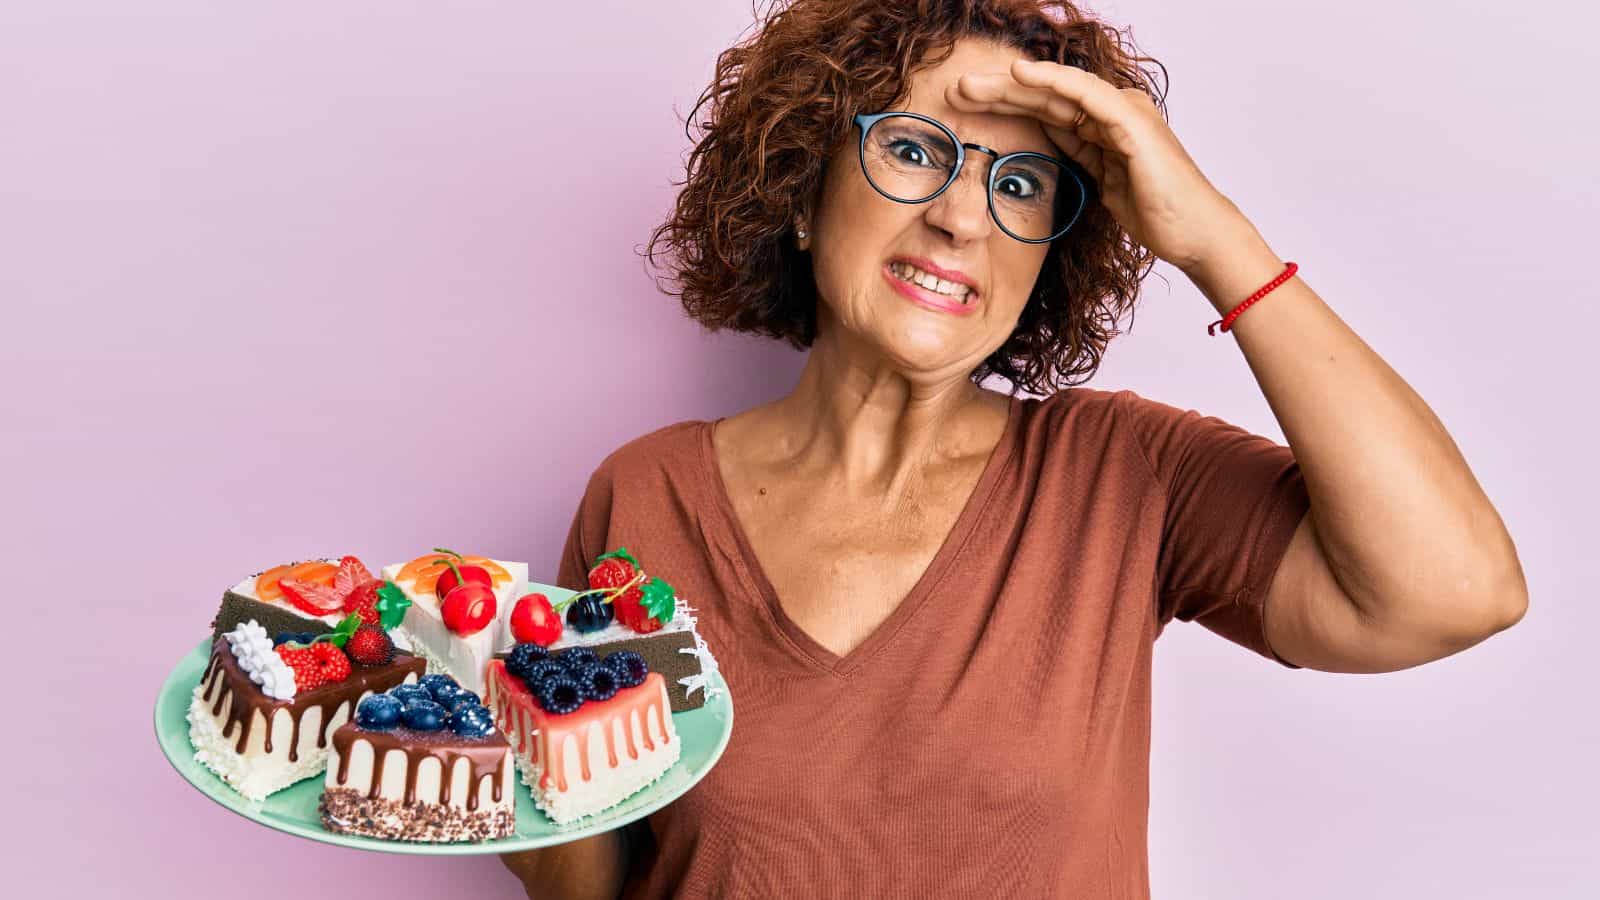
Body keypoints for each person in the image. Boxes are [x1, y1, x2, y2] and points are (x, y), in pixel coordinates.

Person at [502, 1, 1528, 897]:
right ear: (804, 195)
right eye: (911, 149)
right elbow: (598, 876)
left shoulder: (1126, 475)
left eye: (1022, 184)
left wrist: (1214, 238)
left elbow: (1454, 590)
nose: (960, 218)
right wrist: (496, 772)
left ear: (1048, 255)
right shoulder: (645, 495)